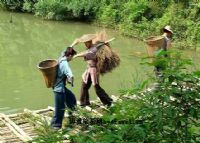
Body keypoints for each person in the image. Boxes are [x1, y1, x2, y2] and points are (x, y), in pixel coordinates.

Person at [73, 34, 113, 107]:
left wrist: (77, 55)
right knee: (84, 85)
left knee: (96, 86)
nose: (85, 44)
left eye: (86, 43)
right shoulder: (92, 47)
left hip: (94, 70)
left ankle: (108, 101)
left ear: (89, 42)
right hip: (89, 69)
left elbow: (88, 54)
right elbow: (87, 52)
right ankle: (84, 103)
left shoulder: (94, 49)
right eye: (84, 43)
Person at [51, 47, 77, 129]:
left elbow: (64, 51)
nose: (72, 59)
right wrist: (71, 82)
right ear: (69, 55)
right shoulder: (65, 63)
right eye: (72, 57)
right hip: (59, 89)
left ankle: (71, 118)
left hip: (60, 87)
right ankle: (55, 126)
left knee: (72, 99)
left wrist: (71, 46)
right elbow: (71, 75)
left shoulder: (61, 57)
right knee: (60, 109)